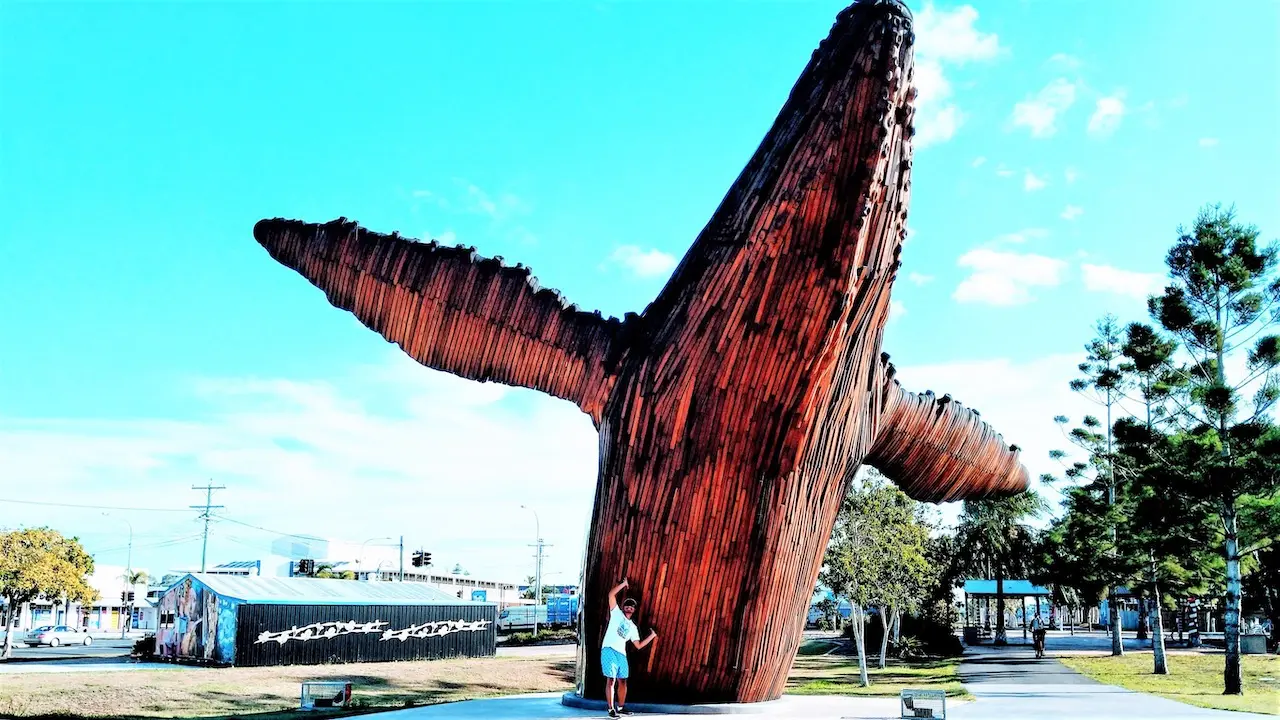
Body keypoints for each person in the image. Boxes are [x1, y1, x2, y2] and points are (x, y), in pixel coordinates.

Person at [602, 579, 658, 718]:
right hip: (609, 649)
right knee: (611, 680)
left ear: (634, 610)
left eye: (632, 606)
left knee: (623, 681)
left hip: (621, 654)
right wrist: (623, 585)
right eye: (627, 605)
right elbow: (611, 595)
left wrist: (652, 636)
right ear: (623, 607)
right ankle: (611, 709)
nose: (629, 607)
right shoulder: (616, 613)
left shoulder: (633, 627)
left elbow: (638, 645)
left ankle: (620, 708)